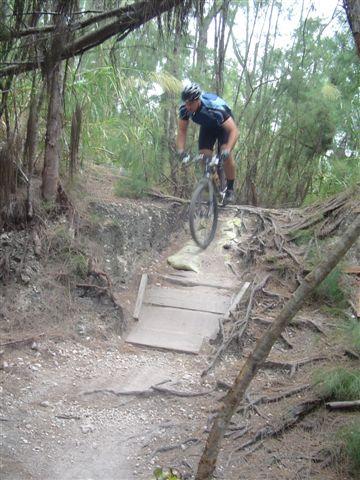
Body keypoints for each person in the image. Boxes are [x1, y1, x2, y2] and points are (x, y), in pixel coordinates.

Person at [176, 82, 239, 203]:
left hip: (224, 127)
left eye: (191, 103)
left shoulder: (214, 107)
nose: (188, 106)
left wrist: (227, 150)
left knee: (226, 155)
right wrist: (181, 151)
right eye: (186, 103)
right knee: (204, 157)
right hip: (207, 127)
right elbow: (182, 131)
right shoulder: (184, 109)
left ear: (198, 100)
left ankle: (230, 189)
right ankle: (213, 186)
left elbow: (234, 131)